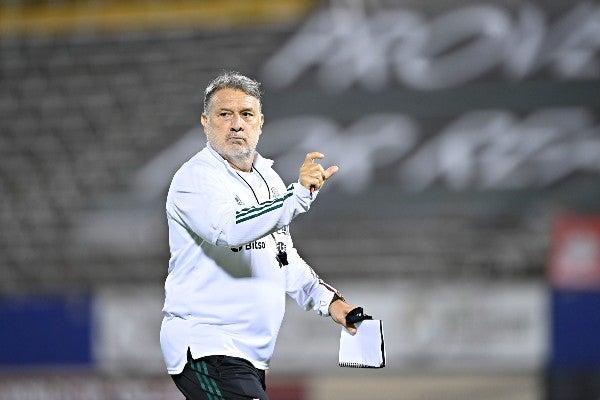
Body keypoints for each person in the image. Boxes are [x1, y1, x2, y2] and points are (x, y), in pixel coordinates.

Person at [160, 71, 358, 400]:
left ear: (260, 123)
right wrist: (296, 198)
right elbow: (230, 228)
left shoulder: (269, 180)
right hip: (206, 347)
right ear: (205, 122)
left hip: (248, 357)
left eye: (246, 114)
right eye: (225, 114)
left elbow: (282, 256)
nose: (237, 124)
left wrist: (330, 301)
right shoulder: (195, 178)